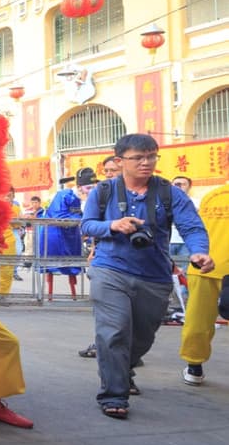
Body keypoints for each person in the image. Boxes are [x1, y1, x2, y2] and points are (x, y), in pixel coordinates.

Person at [80, 134, 213, 419]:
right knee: (113, 331)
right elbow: (88, 225)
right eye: (138, 157)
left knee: (142, 336)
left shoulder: (169, 193)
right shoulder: (103, 192)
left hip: (154, 275)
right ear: (119, 161)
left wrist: (199, 252)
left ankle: (124, 369)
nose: (146, 163)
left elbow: (192, 226)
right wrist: (113, 225)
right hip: (110, 268)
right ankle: (114, 393)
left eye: (152, 156)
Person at [178, 163, 227, 385]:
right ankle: (194, 364)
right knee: (198, 320)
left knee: (197, 320)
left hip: (203, 265)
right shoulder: (212, 196)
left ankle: (194, 365)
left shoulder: (212, 196)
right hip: (211, 265)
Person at [40, 167, 94, 301]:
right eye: (88, 188)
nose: (90, 191)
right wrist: (81, 217)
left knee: (72, 264)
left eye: (92, 188)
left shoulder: (84, 199)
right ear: (79, 187)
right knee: (52, 265)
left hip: (71, 235)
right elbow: (59, 215)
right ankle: (50, 295)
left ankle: (74, 294)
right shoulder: (63, 195)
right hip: (55, 234)